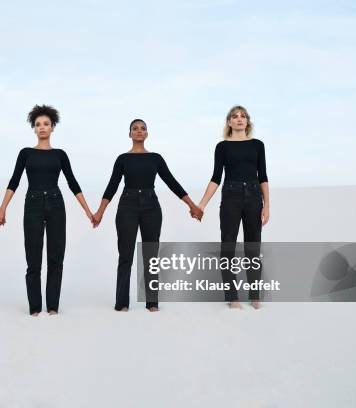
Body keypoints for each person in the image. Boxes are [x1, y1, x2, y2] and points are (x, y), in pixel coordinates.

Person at [92, 119, 203, 312]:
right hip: (127, 205)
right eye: (135, 129)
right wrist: (100, 211)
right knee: (125, 255)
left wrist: (192, 205)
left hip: (151, 207)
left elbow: (171, 182)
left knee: (151, 255)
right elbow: (112, 186)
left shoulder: (156, 158)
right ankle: (122, 303)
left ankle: (152, 303)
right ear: (130, 134)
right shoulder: (122, 159)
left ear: (147, 134)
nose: (139, 131)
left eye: (143, 129)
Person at [0, 105, 94, 316]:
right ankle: (35, 308)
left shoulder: (60, 154)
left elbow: (72, 183)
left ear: (53, 127)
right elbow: (14, 182)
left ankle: (53, 307)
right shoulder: (26, 153)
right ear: (34, 128)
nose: (42, 128)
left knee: (56, 257)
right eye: (38, 125)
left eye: (46, 124)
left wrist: (88, 211)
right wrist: (1, 209)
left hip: (57, 204)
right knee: (33, 258)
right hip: (33, 205)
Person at [197, 106, 270, 310]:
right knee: (228, 246)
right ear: (229, 122)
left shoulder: (258, 145)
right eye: (235, 116)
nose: (239, 119)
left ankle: (254, 295)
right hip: (231, 196)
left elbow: (262, 176)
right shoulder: (222, 147)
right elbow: (215, 178)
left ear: (248, 121)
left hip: (254, 196)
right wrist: (202, 204)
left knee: (252, 247)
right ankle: (232, 296)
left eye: (243, 116)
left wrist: (267, 205)